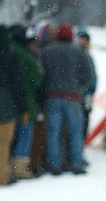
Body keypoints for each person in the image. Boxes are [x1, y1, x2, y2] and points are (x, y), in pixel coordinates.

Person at [38, 23, 95, 175]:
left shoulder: (47, 51)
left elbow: (41, 74)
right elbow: (88, 75)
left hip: (53, 96)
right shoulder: (79, 52)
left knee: (53, 132)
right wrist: (78, 86)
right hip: (73, 97)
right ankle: (75, 162)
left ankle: (54, 164)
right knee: (75, 131)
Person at [8, 25, 43, 180]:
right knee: (24, 134)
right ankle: (19, 168)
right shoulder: (26, 57)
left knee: (11, 136)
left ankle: (7, 165)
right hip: (26, 102)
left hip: (9, 102)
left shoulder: (7, 50)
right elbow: (36, 80)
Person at [0, 28, 29, 185]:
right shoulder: (11, 57)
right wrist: (23, 107)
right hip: (6, 106)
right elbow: (18, 84)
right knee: (3, 143)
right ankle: (2, 177)